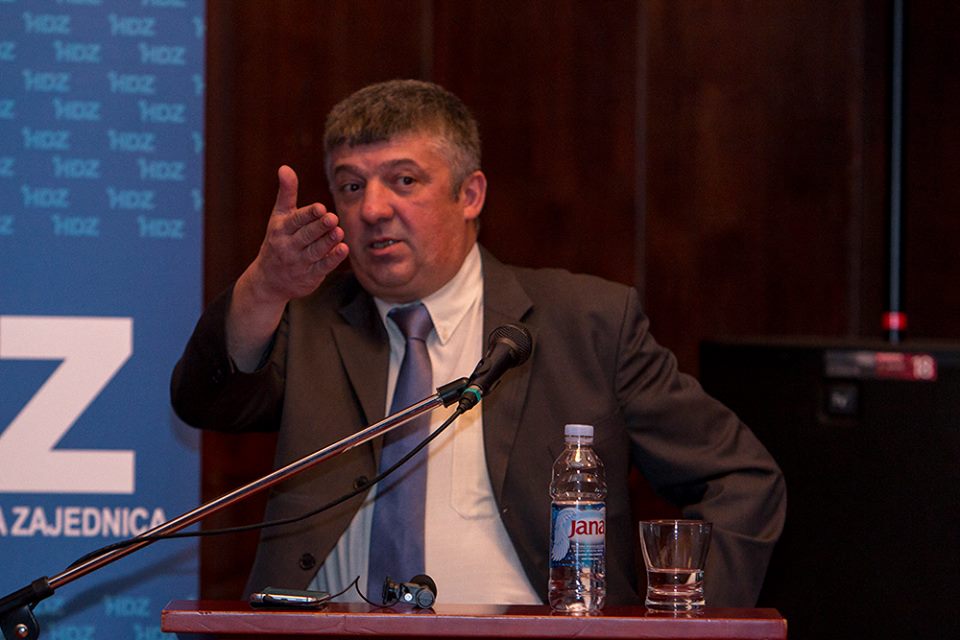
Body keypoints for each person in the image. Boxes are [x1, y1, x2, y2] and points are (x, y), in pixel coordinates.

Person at [171, 79, 785, 607]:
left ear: (470, 195)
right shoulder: (305, 321)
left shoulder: (587, 323)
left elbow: (742, 480)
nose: (373, 209)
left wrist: (687, 621)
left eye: (403, 180)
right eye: (351, 186)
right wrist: (263, 288)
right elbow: (204, 401)